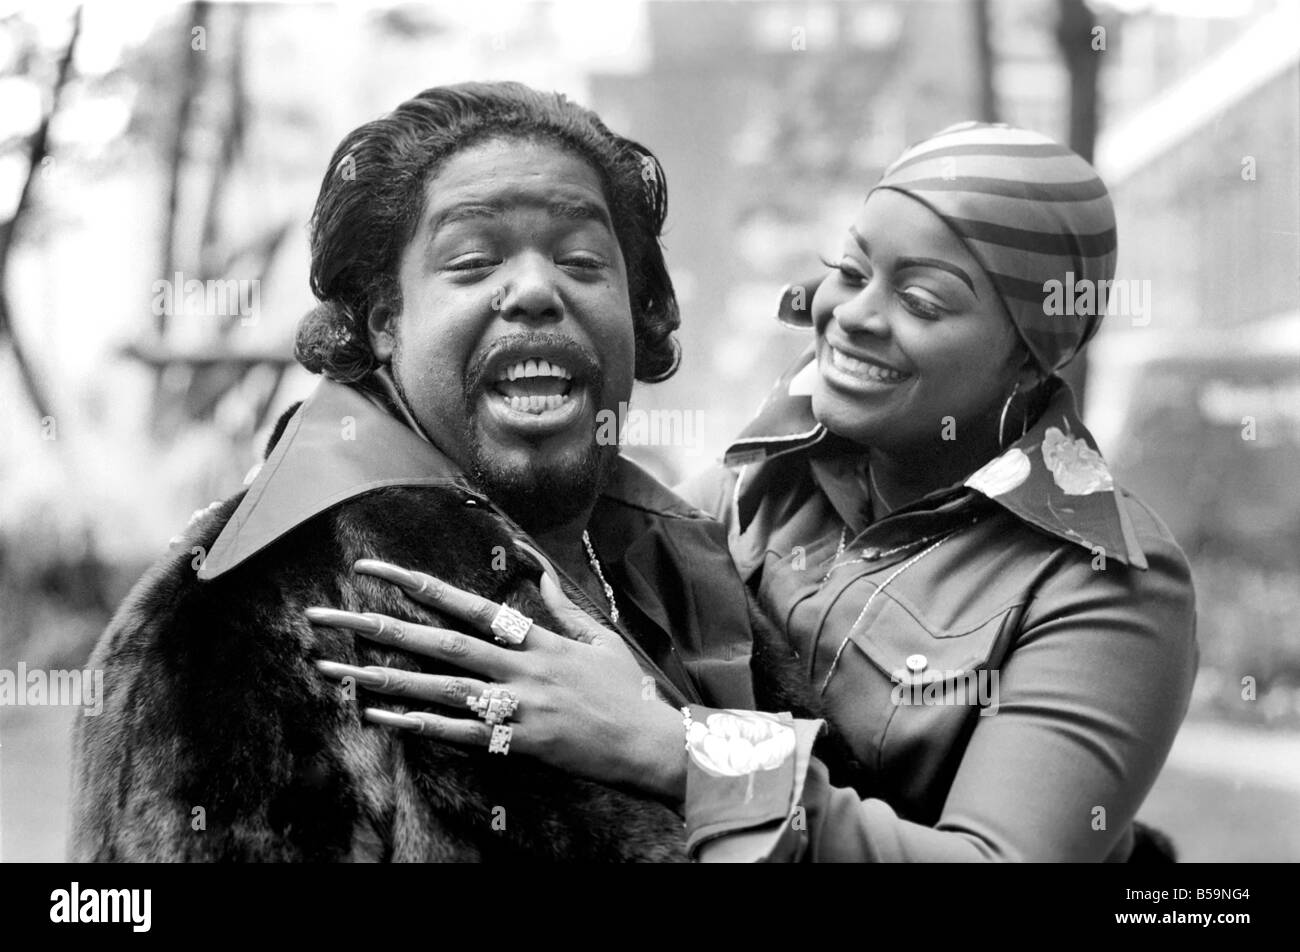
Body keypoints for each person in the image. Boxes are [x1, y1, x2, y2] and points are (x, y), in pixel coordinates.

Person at [342, 122, 1198, 862]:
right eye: (851, 269)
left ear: (1030, 355)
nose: (855, 314)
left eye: (923, 300)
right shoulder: (755, 485)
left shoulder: (1104, 579)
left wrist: (681, 752)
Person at [69, 82, 804, 862]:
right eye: (474, 260)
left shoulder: (678, 554)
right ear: (385, 321)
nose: (533, 291)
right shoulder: (235, 619)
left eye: (582, 260)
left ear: (638, 308)